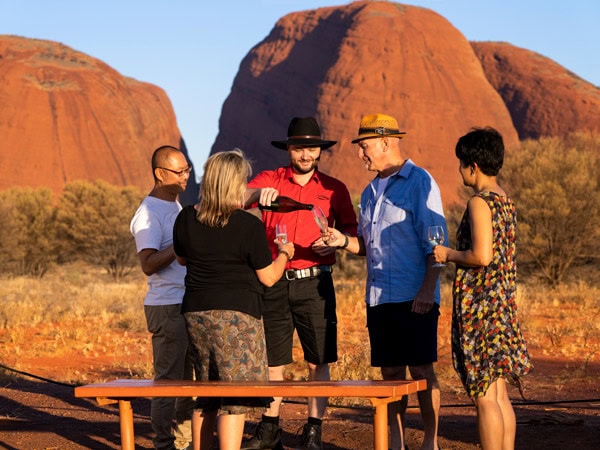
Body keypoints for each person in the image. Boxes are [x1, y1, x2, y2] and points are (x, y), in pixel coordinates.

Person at [326, 113, 447, 450]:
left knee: (422, 371)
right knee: (391, 374)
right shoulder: (368, 193)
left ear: (386, 142)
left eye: (364, 146)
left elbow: (436, 243)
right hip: (379, 298)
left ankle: (430, 441)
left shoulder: (420, 181)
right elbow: (366, 245)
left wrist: (427, 289)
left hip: (415, 295)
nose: (360, 153)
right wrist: (341, 241)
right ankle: (395, 442)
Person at [241, 116, 358, 450]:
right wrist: (254, 196)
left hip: (315, 282)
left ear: (319, 151)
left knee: (317, 360)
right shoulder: (270, 179)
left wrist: (337, 239)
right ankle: (269, 428)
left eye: (311, 148)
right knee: (273, 360)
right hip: (274, 279)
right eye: (299, 147)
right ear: (288, 149)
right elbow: (234, 197)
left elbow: (353, 230)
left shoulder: (334, 188)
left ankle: (313, 431)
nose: (305, 154)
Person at [172, 149, 295, 450]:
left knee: (207, 393)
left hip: (197, 315)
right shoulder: (247, 225)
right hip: (236, 319)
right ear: (233, 183)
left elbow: (181, 258)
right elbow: (268, 277)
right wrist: (284, 254)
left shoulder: (187, 217)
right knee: (235, 399)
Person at [432, 127, 533, 450]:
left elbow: (481, 256)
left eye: (462, 163)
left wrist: (447, 254)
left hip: (481, 310)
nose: (460, 169)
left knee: (484, 397)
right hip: (501, 308)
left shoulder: (479, 202)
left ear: (473, 165)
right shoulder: (504, 200)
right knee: (499, 393)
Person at [130, 145, 195, 450]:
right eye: (179, 171)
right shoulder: (148, 212)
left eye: (187, 170)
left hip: (185, 302)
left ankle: (184, 443)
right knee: (169, 380)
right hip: (166, 306)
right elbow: (147, 264)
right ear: (160, 174)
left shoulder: (175, 206)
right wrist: (180, 246)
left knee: (188, 381)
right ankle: (164, 445)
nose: (186, 176)